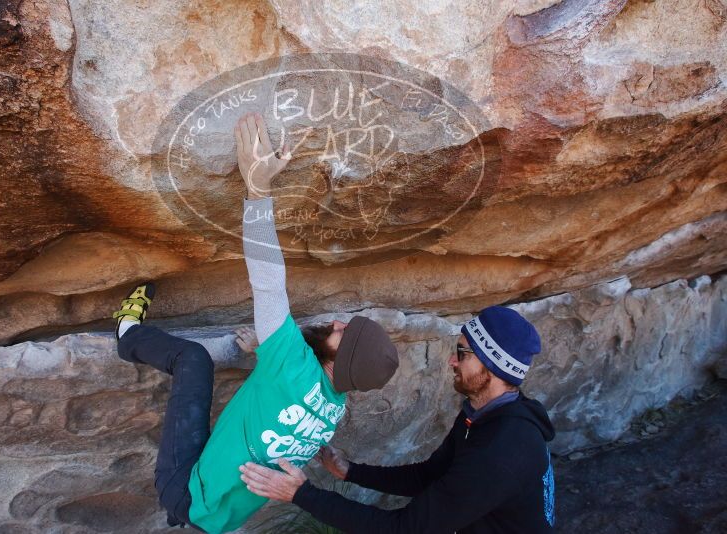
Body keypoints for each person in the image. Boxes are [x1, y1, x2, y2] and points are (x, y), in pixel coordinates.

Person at [110, 112, 399, 533]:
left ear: (339, 360)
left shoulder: (294, 364)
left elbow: (268, 283)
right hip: (218, 519)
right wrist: (263, 353)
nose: (336, 322)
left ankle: (127, 334)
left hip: (186, 490)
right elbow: (287, 400)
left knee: (193, 356)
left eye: (343, 332)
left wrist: (258, 187)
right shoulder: (332, 408)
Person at [240, 306, 557, 533]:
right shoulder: (483, 412)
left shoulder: (500, 452)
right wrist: (350, 472)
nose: (451, 360)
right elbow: (431, 476)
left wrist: (300, 494)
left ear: (492, 369)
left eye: (462, 353)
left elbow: (404, 527)